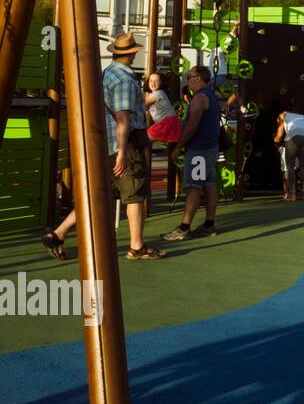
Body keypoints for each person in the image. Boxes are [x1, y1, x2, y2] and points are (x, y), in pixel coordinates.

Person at [42, 34, 161, 261]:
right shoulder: (125, 80)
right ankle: (136, 246)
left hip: (105, 144)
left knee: (97, 196)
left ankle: (58, 233)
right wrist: (123, 152)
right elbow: (124, 118)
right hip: (124, 146)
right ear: (132, 53)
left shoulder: (108, 73)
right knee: (134, 195)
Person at [162, 65, 223, 242]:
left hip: (199, 150)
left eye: (189, 77)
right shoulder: (210, 96)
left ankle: (184, 228)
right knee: (209, 184)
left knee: (194, 187)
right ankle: (209, 224)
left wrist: (179, 147)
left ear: (198, 78)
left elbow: (192, 125)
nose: (186, 80)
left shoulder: (199, 98)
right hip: (210, 148)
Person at [274, 99, 304, 201]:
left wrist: (275, 141)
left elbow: (279, 135)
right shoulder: (302, 116)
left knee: (290, 166)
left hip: (293, 136)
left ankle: (291, 194)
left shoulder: (282, 115)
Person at [143, 72, 181, 145]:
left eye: (156, 81)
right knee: (146, 140)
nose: (153, 83)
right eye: (151, 81)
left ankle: (141, 156)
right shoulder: (157, 93)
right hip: (170, 121)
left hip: (166, 122)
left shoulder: (158, 93)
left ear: (161, 83)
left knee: (144, 139)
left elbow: (143, 105)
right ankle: (146, 156)